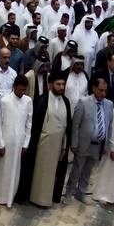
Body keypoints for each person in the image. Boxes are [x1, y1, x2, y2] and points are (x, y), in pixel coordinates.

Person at [27, 75, 72, 208]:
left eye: (63, 84)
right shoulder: (43, 100)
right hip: (44, 143)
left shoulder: (66, 101)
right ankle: (37, 199)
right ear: (51, 84)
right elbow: (36, 124)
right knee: (41, 172)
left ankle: (49, 198)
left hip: (58, 144)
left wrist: (65, 144)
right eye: (58, 84)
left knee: (53, 174)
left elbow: (67, 124)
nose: (61, 87)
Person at [0, 74, 33, 206]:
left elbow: (29, 123)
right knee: (1, 170)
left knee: (14, 170)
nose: (22, 92)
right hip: (5, 142)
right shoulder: (4, 101)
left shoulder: (28, 101)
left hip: (19, 142)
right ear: (14, 87)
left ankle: (9, 197)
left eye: (24, 90)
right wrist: (0, 144)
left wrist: (26, 144)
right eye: (20, 89)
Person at [66, 75, 112, 203]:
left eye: (105, 90)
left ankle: (81, 193)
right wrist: (74, 143)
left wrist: (106, 145)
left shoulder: (109, 105)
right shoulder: (83, 102)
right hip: (83, 143)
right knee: (76, 170)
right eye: (101, 90)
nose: (103, 93)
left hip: (98, 145)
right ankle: (69, 193)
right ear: (94, 88)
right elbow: (75, 125)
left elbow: (109, 126)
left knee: (88, 171)